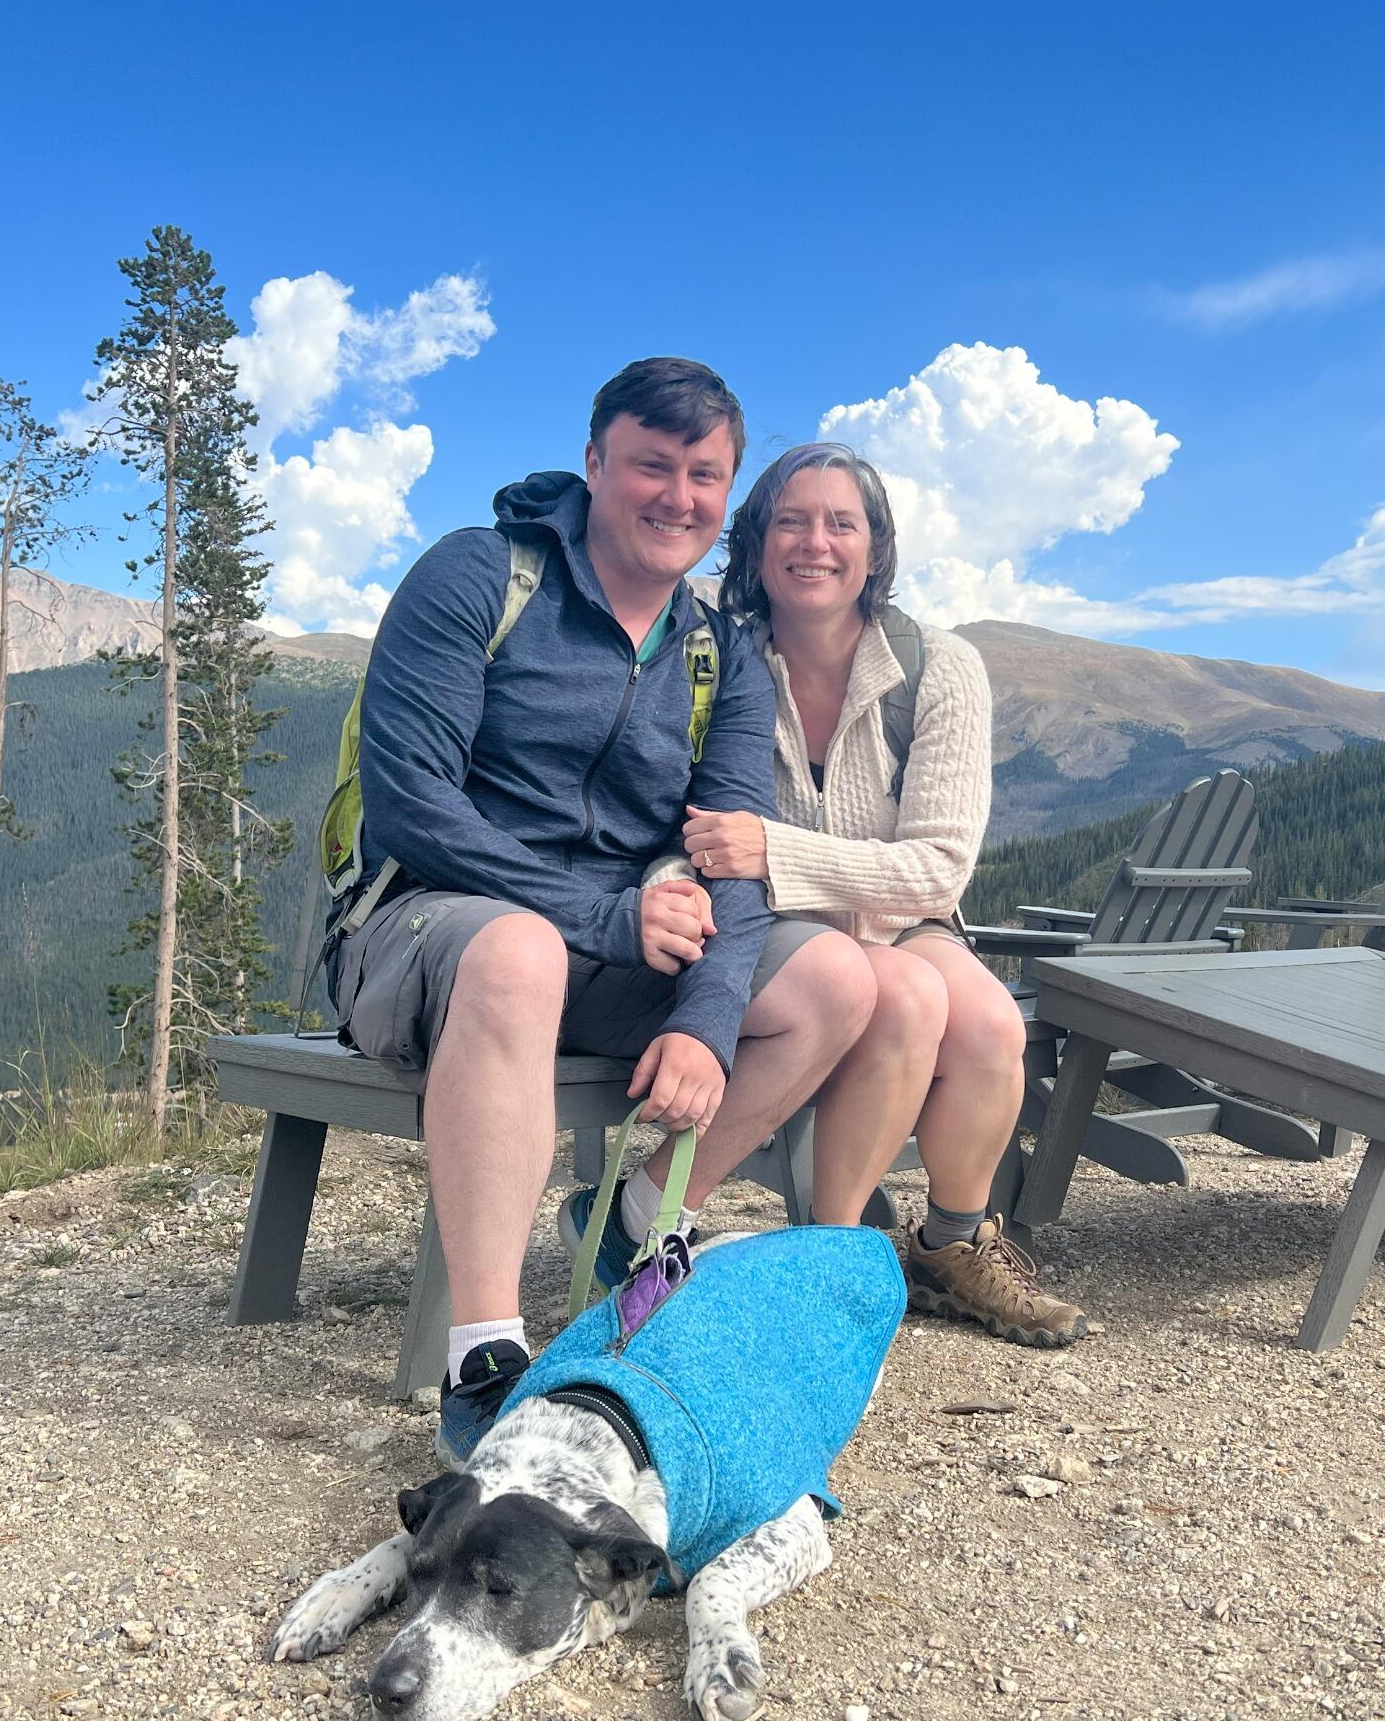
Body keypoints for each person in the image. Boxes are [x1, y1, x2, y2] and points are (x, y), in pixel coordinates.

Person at [333, 362, 878, 1464]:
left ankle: (633, 1223)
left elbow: (731, 854)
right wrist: (602, 916)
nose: (678, 497)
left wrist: (706, 1022)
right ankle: (485, 1355)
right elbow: (414, 806)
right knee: (521, 951)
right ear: (594, 463)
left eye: (704, 475)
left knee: (835, 980)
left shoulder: (718, 650)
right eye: (651, 466)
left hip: (611, 946)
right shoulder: (476, 576)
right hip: (426, 929)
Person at [679, 443, 1088, 1347]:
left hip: (903, 916)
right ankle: (831, 1261)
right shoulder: (716, 656)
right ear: (756, 542)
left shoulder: (941, 667)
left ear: (875, 547)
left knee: (991, 1024)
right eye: (790, 521)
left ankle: (950, 1246)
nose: (814, 543)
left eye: (841, 523)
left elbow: (938, 868)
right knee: (904, 997)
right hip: (771, 926)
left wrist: (773, 847)